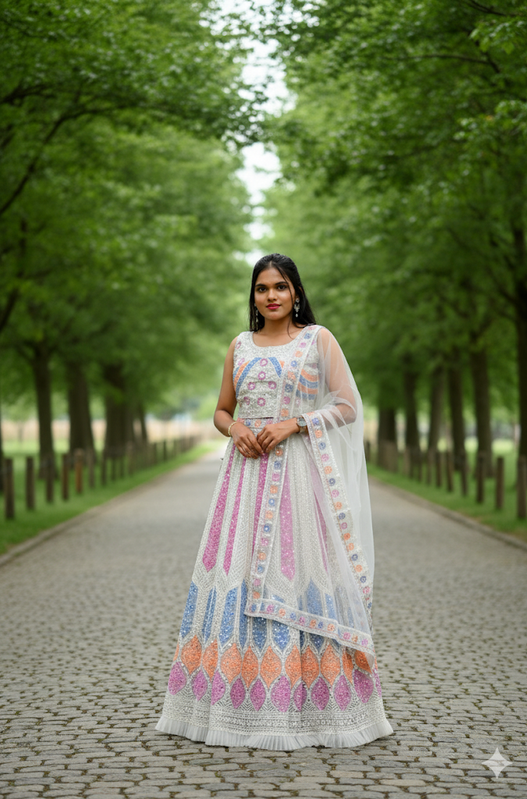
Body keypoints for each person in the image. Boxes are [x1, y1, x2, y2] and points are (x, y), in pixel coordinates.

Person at [156, 253, 393, 749]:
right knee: (236, 576)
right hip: (244, 479)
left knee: (303, 572)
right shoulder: (239, 346)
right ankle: (229, 705)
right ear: (254, 296)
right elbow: (222, 410)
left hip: (301, 479)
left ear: (296, 292)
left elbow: (349, 405)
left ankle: (313, 709)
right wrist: (237, 427)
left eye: (280, 286)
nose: (271, 296)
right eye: (262, 288)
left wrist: (296, 422)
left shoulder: (317, 339)